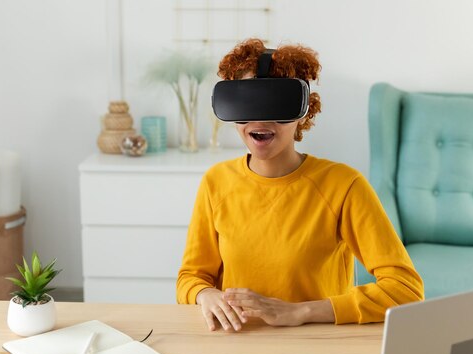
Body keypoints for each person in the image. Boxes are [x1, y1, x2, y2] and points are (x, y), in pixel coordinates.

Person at [176, 38, 424, 332]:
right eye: (248, 103)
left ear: (303, 112)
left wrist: (301, 312)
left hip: (316, 345)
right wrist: (204, 294)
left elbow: (405, 290)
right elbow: (191, 279)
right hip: (238, 342)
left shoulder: (344, 186)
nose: (260, 118)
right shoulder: (216, 182)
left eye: (276, 105)